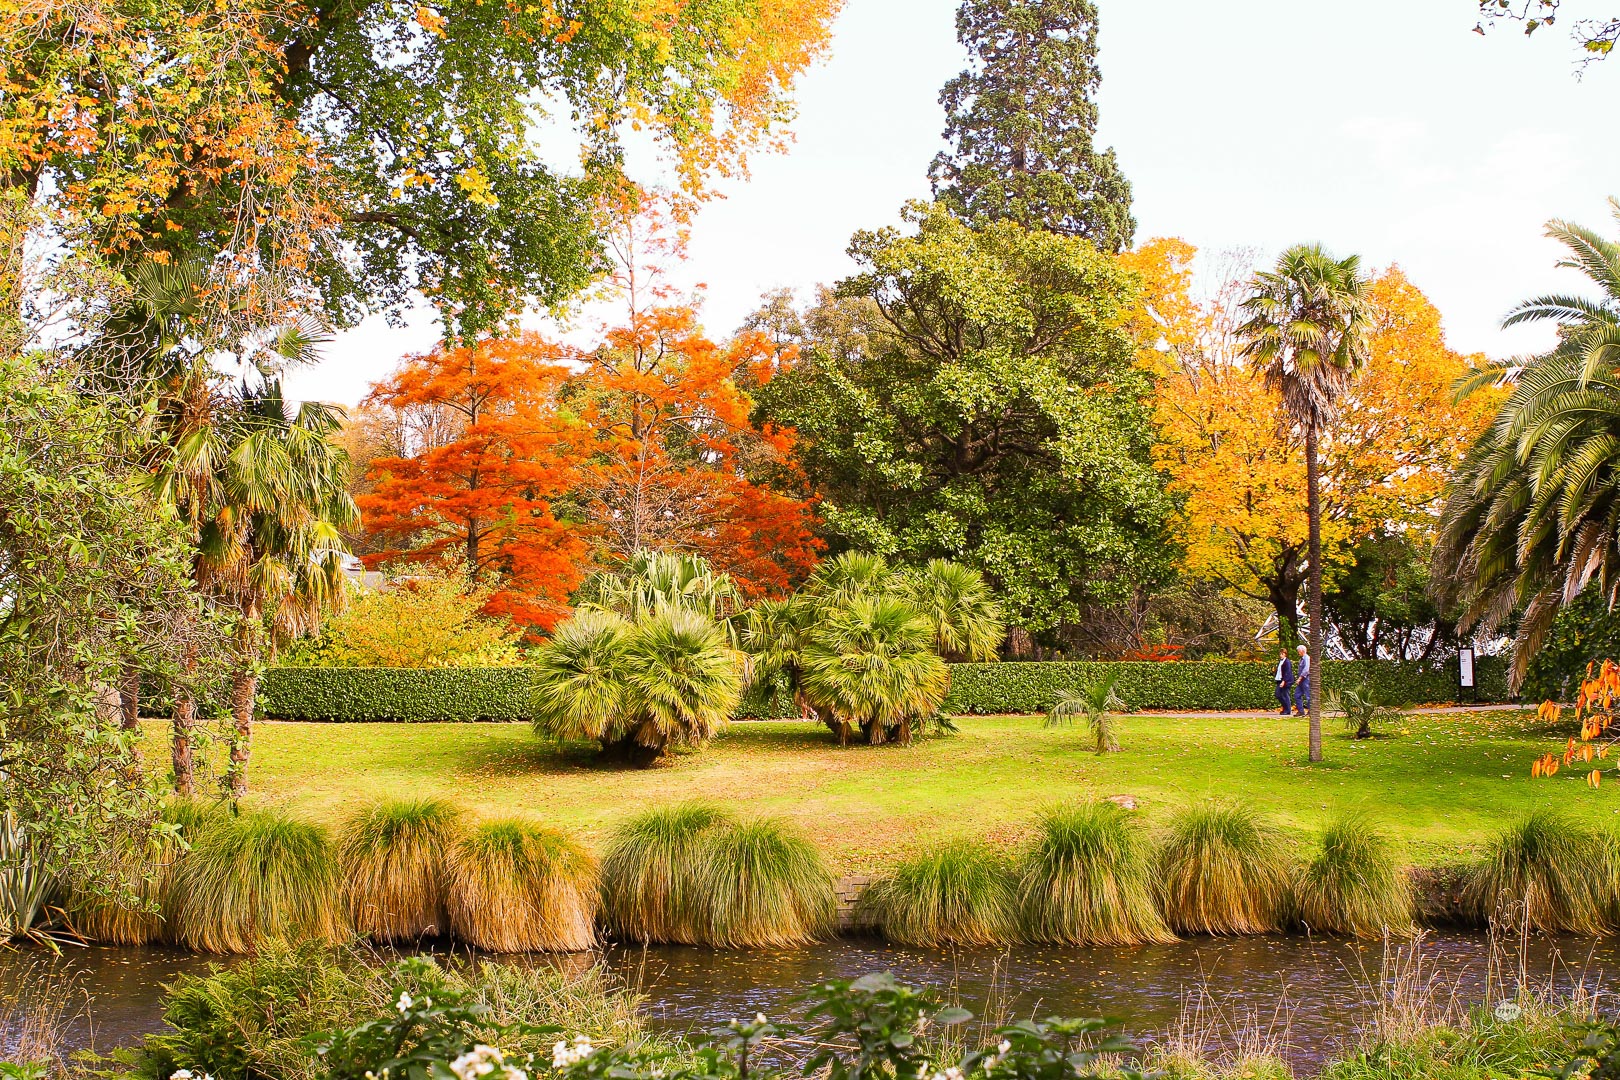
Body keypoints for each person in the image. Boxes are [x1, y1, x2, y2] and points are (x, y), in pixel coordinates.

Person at [1292, 643, 1311, 716]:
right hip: (1302, 680)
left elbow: (1306, 669)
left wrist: (1299, 678)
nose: (1298, 653)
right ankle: (1301, 711)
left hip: (1305, 679)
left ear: (1302, 651)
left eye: (1298, 651)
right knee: (1297, 695)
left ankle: (1310, 711)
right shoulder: (1302, 659)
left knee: (1308, 696)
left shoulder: (1307, 658)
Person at [1273, 649, 1293, 716]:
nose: (1280, 655)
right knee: (1278, 694)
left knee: (1285, 695)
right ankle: (1285, 708)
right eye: (1280, 654)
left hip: (1285, 681)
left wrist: (1284, 681)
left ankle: (1288, 710)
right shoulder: (1280, 662)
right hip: (1279, 680)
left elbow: (1287, 672)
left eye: (1282, 654)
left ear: (1285, 654)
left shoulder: (1287, 662)